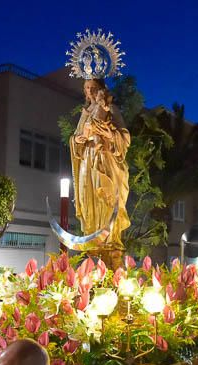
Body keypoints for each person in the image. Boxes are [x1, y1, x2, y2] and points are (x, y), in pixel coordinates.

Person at [70, 78, 130, 249]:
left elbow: (125, 137)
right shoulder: (85, 112)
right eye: (86, 88)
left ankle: (110, 240)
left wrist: (110, 135)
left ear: (101, 90)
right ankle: (92, 237)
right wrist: (78, 140)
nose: (89, 91)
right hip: (87, 163)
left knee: (105, 197)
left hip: (104, 159)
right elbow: (75, 138)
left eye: (93, 88)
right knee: (89, 198)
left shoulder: (111, 109)